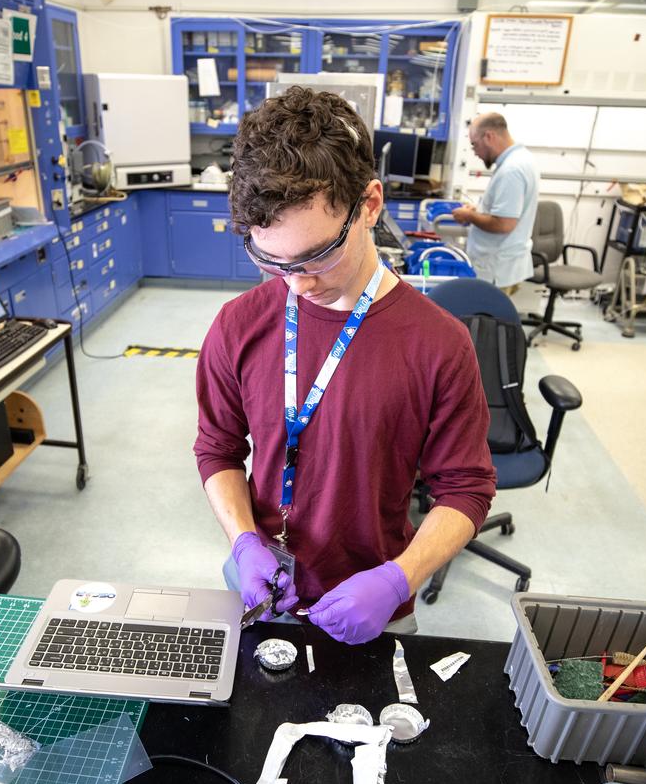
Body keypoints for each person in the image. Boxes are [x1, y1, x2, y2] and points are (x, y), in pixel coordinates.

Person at [193, 87, 496, 645]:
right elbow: (218, 450)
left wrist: (398, 577)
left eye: (317, 255)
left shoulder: (439, 344)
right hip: (262, 590)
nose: (297, 283)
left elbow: (466, 490)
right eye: (270, 260)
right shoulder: (238, 325)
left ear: (371, 205)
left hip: (375, 600)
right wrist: (243, 542)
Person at [451, 112, 540, 292]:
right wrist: (479, 209)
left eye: (474, 144)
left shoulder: (511, 170)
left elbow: (503, 224)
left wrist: (470, 216)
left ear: (489, 136)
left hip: (496, 269)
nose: (475, 152)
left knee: (488, 320)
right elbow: (508, 210)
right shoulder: (521, 159)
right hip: (502, 264)